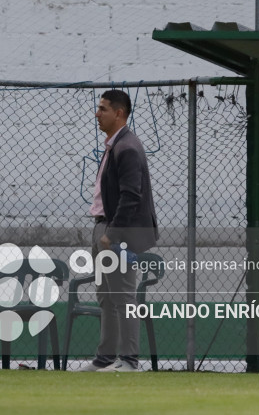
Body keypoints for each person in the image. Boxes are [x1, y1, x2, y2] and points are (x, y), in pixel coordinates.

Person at [82, 90, 158, 372]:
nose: (97, 113)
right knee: (106, 296)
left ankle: (129, 360)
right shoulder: (115, 145)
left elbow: (131, 196)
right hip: (104, 227)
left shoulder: (127, 147)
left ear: (119, 113)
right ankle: (105, 359)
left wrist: (111, 235)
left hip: (116, 234)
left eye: (102, 109)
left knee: (123, 296)